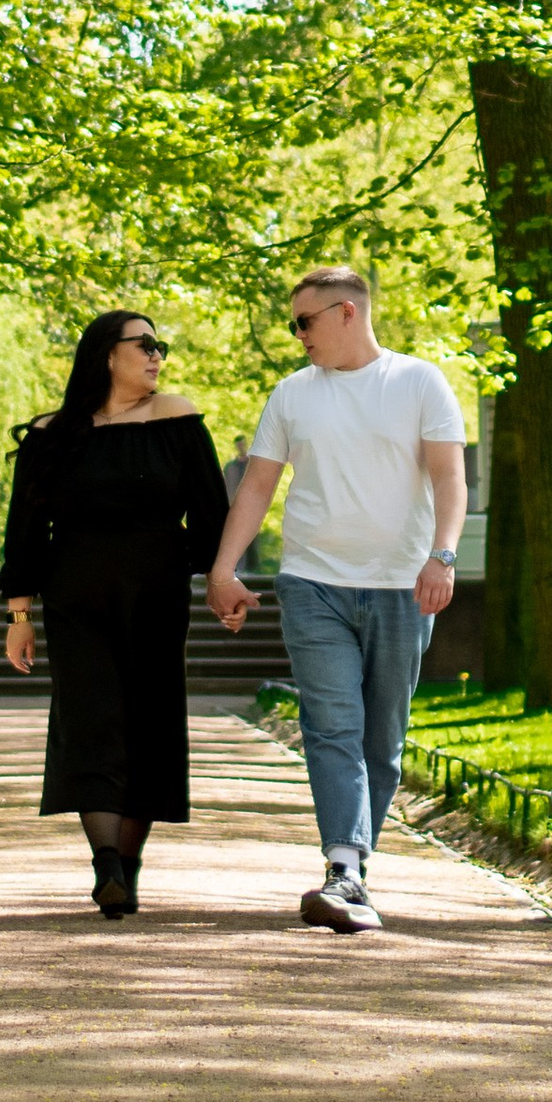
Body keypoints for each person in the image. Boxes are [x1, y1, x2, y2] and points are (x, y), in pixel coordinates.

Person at [208, 264, 466, 937]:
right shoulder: (293, 394)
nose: (298, 335)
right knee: (332, 726)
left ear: (347, 312)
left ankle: (354, 869)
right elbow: (258, 486)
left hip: (402, 588)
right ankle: (343, 868)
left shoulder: (419, 382)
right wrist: (223, 569)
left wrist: (442, 556)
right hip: (312, 583)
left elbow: (449, 477)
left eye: (305, 321)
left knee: (382, 739)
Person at [0, 310, 227, 920]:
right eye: (144, 344)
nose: (157, 355)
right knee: (91, 720)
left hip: (156, 596)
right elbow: (25, 528)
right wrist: (19, 616)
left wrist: (220, 581)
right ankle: (108, 864)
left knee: (149, 722)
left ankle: (124, 866)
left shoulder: (176, 418)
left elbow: (212, 513)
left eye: (160, 345)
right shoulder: (52, 434)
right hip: (76, 598)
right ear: (106, 354)